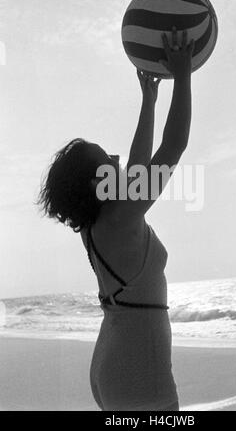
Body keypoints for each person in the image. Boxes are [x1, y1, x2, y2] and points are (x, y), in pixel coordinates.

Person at [37, 26, 195, 411]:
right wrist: (184, 75)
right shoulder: (121, 216)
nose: (117, 161)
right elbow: (172, 147)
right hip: (137, 368)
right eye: (107, 159)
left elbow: (139, 161)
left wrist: (150, 100)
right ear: (98, 181)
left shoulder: (104, 222)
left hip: (117, 359)